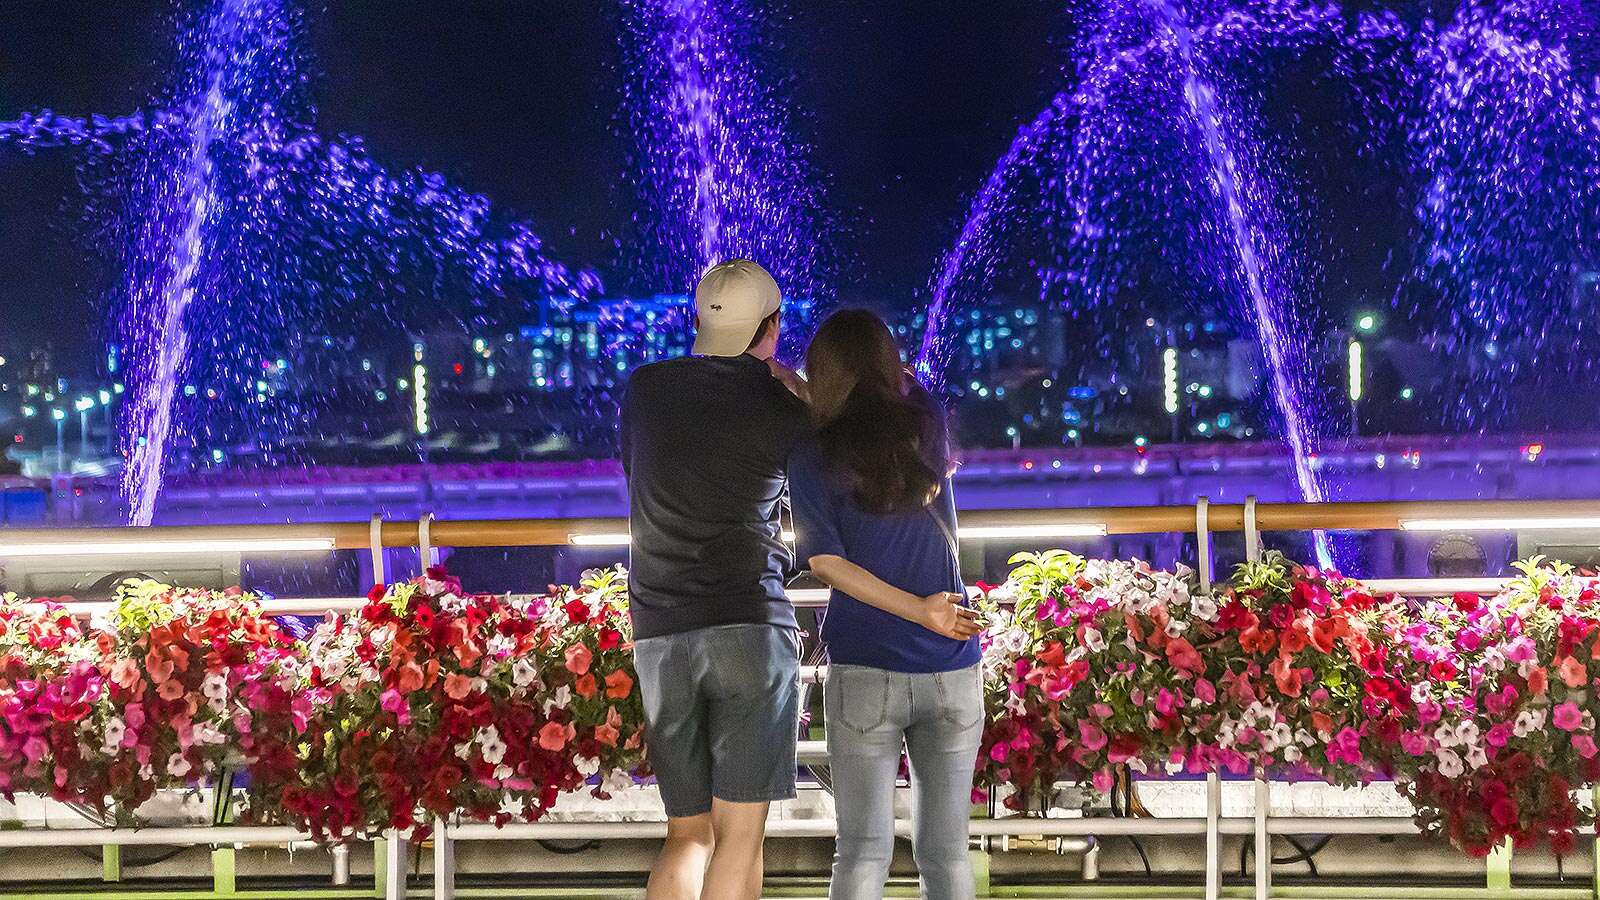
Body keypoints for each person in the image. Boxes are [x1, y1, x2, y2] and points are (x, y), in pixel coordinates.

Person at [622, 258, 810, 900]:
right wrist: (798, 387)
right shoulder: (783, 407)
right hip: (748, 622)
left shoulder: (644, 389)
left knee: (688, 835)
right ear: (772, 326)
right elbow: (825, 473)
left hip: (659, 631)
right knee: (740, 837)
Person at [787, 309, 985, 900]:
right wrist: (930, 613)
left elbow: (825, 563)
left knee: (863, 851)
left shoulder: (812, 454)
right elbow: (885, 403)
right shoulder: (925, 426)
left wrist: (791, 384)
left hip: (866, 664)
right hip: (951, 661)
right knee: (947, 853)